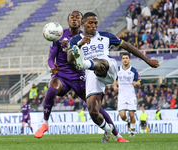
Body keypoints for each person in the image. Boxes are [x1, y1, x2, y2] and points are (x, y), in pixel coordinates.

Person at [35, 10, 129, 143]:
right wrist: (53, 67)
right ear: (68, 21)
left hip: (81, 76)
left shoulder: (86, 36)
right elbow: (50, 59)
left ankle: (117, 135)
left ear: (82, 22)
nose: (74, 19)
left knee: (96, 108)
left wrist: (74, 48)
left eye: (77, 17)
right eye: (71, 17)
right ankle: (45, 123)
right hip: (62, 75)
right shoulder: (59, 35)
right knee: (51, 88)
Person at [68, 12, 159, 139]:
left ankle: (84, 64)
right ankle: (107, 129)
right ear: (83, 23)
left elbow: (127, 46)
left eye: (95, 23)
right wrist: (80, 45)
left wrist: (147, 60)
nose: (94, 26)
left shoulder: (106, 36)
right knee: (93, 112)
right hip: (92, 74)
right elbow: (69, 58)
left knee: (100, 61)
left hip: (108, 68)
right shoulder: (75, 40)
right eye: (90, 23)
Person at [113, 52, 141, 137]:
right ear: (121, 60)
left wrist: (136, 83)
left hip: (131, 96)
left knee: (132, 114)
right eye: (124, 58)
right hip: (121, 96)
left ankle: (132, 132)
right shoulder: (118, 69)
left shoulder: (133, 70)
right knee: (122, 116)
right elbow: (115, 79)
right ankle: (128, 121)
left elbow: (139, 82)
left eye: (127, 58)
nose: (125, 60)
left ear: (129, 59)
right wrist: (115, 86)